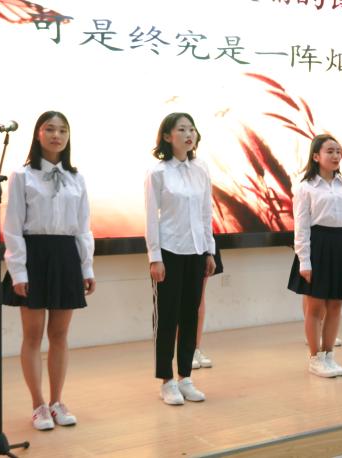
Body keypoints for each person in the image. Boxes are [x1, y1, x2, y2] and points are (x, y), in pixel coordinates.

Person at [3, 111, 95, 430]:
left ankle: (57, 401)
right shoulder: (22, 175)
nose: (57, 135)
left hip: (66, 255)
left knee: (59, 335)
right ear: (38, 134)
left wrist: (86, 266)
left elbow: (83, 227)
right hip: (34, 255)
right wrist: (18, 272)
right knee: (32, 335)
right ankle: (38, 405)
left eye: (63, 130)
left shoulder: (76, 178)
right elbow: (13, 226)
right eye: (50, 129)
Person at [145, 112, 215, 405]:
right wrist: (155, 257)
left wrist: (209, 250)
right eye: (182, 129)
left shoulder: (201, 169)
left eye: (192, 129)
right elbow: (151, 218)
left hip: (197, 251)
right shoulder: (158, 172)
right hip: (170, 251)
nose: (189, 134)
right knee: (167, 318)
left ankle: (185, 376)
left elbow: (206, 212)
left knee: (190, 315)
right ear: (167, 136)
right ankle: (167, 380)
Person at [287, 134, 342, 378]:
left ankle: (329, 355)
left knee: (336, 304)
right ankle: (315, 358)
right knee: (315, 305)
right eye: (329, 151)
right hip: (317, 245)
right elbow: (301, 226)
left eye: (338, 151)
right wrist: (304, 260)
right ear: (316, 156)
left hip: (341, 245)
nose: (335, 156)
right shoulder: (306, 187)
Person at [192, 245, 222, 369]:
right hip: (179, 245)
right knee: (183, 297)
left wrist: (209, 252)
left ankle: (195, 350)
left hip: (203, 245)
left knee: (199, 296)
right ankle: (185, 351)